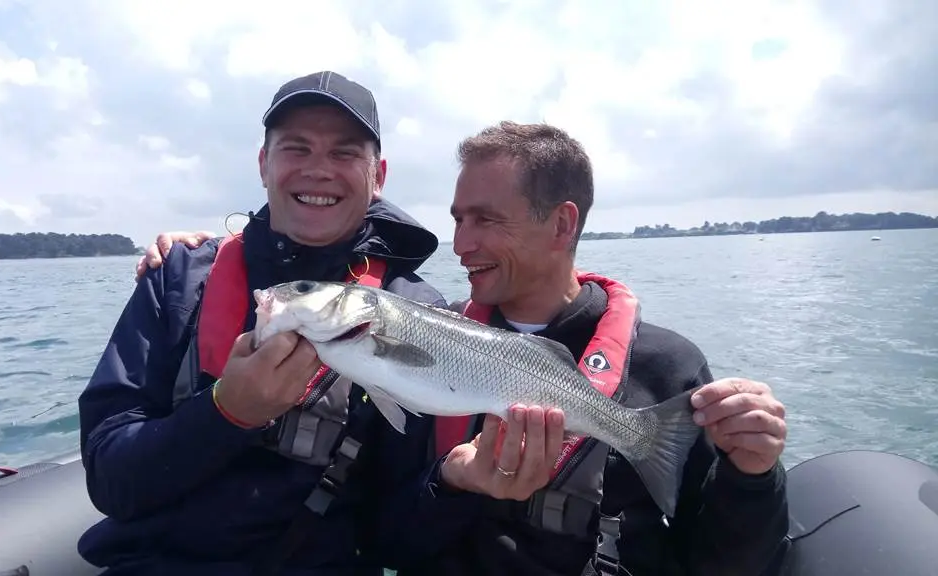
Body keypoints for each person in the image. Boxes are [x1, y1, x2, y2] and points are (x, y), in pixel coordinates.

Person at [139, 122, 790, 576]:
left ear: (562, 223)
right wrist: (452, 482)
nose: (460, 243)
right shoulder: (419, 332)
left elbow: (730, 563)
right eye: (456, 218)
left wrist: (752, 474)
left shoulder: (665, 367)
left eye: (485, 219)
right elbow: (383, 535)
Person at [75, 70, 449, 576]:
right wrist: (226, 412)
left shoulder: (420, 313)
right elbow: (108, 478)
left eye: (344, 153)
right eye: (296, 148)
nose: (319, 170)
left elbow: (398, 535)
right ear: (263, 163)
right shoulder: (179, 276)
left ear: (377, 175)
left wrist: (459, 486)